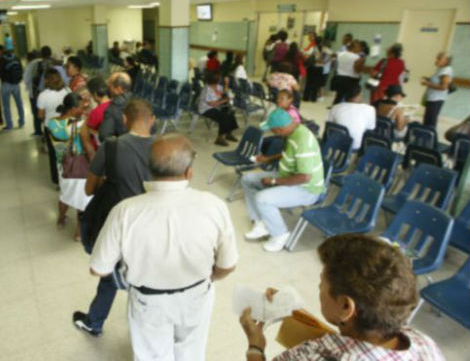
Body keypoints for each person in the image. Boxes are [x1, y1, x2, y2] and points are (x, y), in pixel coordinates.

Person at [90, 133, 238, 361]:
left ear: (150, 170)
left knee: (153, 356)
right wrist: (211, 277)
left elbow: (99, 269)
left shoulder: (125, 211)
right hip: (198, 295)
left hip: (149, 302)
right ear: (189, 172)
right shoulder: (213, 205)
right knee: (191, 352)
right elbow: (227, 265)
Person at [239, 234, 444, 360]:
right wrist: (295, 313)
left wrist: (255, 345)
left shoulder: (318, 356)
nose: (319, 289)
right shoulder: (423, 343)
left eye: (322, 284)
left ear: (346, 307)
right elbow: (347, 340)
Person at [73, 99, 156, 337]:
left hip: (120, 221)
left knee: (110, 271)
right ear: (152, 120)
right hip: (154, 221)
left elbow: (89, 189)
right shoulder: (164, 147)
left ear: (124, 120)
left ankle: (94, 322)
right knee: (147, 273)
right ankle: (145, 331)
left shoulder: (111, 147)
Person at [242, 109, 325, 252]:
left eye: (272, 130)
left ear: (280, 129)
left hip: (307, 189)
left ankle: (280, 234)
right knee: (247, 179)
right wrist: (269, 158)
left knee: (262, 198)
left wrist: (275, 182)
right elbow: (288, 153)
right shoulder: (292, 132)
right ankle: (261, 222)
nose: (272, 132)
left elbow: (305, 177)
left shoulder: (302, 140)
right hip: (289, 175)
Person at [47, 93, 92, 241]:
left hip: (63, 166)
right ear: (73, 109)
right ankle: (78, 233)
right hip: (78, 168)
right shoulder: (79, 125)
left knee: (65, 195)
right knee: (81, 201)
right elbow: (88, 149)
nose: (82, 109)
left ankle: (61, 219)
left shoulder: (51, 123)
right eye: (80, 107)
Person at [327, 85, 376, 150]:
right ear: (360, 94)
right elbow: (371, 128)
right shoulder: (370, 109)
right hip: (355, 146)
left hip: (334, 143)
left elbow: (329, 125)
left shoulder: (335, 107)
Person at [199, 71, 239, 146]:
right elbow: (211, 103)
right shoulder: (207, 90)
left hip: (216, 106)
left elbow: (224, 92)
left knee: (230, 112)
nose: (221, 79)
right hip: (206, 109)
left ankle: (228, 133)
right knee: (223, 117)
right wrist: (224, 100)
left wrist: (226, 84)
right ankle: (220, 138)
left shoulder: (216, 86)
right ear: (216, 80)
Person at [80, 77, 112, 160]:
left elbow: (87, 131)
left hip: (97, 151)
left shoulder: (97, 112)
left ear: (95, 95)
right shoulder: (114, 105)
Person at [421, 52, 453, 128]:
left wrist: (427, 83)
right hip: (432, 98)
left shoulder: (446, 71)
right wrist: (428, 79)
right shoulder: (440, 69)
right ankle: (424, 136)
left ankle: (429, 138)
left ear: (446, 60)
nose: (436, 60)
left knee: (430, 122)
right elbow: (436, 81)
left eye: (439, 59)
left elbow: (443, 87)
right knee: (427, 120)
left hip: (436, 99)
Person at [98, 72, 133, 142]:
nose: (108, 89)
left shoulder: (114, 108)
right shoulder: (140, 101)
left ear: (119, 89)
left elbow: (104, 136)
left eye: (110, 86)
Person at [0, 48, 25, 131]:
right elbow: (21, 70)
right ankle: (21, 122)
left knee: (6, 106)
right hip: (16, 84)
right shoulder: (17, 57)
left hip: (6, 84)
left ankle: (10, 125)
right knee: (19, 103)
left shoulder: (1, 59)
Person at [31, 47, 55, 136]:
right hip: (56, 89)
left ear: (41, 54)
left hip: (44, 91)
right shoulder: (56, 62)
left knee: (44, 115)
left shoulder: (40, 64)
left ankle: (45, 133)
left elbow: (36, 79)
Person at [332, 41, 365, 105]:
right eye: (359, 48)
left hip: (340, 77)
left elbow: (333, 57)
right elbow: (357, 70)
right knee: (350, 97)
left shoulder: (340, 54)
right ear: (355, 47)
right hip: (351, 79)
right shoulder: (356, 57)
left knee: (339, 96)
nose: (360, 50)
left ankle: (335, 109)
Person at [302, 32, 325, 103]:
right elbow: (333, 55)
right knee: (316, 83)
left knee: (309, 82)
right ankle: (313, 98)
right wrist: (325, 61)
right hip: (320, 67)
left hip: (312, 66)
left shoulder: (313, 47)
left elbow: (308, 54)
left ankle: (306, 97)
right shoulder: (324, 48)